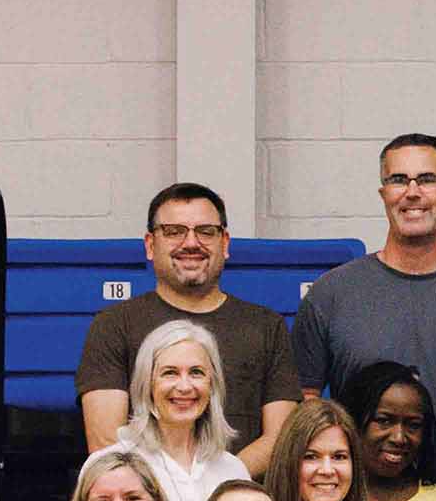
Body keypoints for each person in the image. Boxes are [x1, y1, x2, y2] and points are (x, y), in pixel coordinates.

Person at [289, 132, 436, 420]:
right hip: (362, 466)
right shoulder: (329, 294)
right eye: (398, 180)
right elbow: (304, 408)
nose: (413, 191)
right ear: (383, 194)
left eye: (428, 179)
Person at [82, 181, 294, 471]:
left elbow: (281, 438)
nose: (191, 243)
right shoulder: (114, 325)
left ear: (225, 243)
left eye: (206, 231)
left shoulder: (267, 327)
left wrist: (215, 487)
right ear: (150, 245)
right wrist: (175, 491)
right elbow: (106, 443)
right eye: (174, 231)